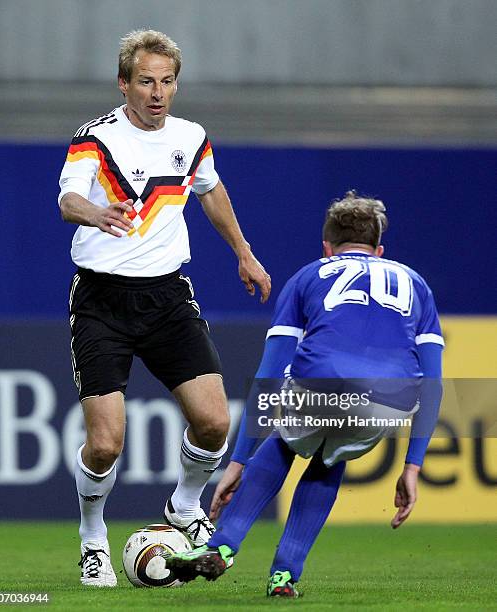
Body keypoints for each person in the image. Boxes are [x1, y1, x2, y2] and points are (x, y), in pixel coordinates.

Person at [58, 29, 271, 587]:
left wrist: (244, 254)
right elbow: (68, 198)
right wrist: (94, 214)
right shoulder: (96, 139)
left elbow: (210, 190)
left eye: (167, 81)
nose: (157, 92)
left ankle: (184, 503)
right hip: (102, 299)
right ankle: (92, 536)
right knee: (105, 444)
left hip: (168, 296)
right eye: (146, 81)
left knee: (214, 421)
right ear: (123, 83)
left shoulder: (190, 136)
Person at [166, 191, 444, 597]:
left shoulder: (310, 276)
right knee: (333, 454)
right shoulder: (416, 283)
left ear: (327, 247)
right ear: (379, 250)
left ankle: (222, 545)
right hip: (389, 400)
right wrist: (413, 466)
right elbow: (433, 382)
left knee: (287, 438)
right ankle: (284, 575)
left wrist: (239, 461)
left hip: (320, 385)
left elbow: (270, 373)